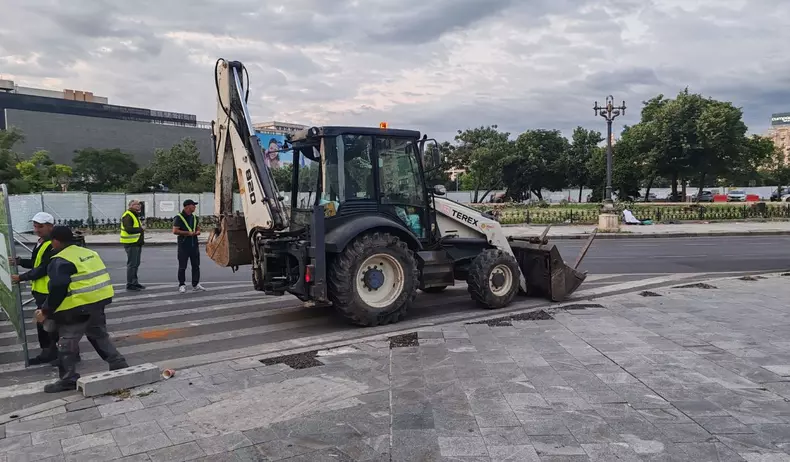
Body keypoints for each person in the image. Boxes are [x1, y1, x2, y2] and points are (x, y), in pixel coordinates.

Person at [40, 225, 128, 393]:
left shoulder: (60, 259)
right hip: (98, 301)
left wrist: (46, 310)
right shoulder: (89, 253)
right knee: (98, 334)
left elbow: (58, 287)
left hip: (77, 307)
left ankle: (68, 378)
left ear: (56, 241)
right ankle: (118, 363)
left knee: (67, 342)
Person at [9, 212, 59, 365]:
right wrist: (20, 262)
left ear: (51, 226)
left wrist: (21, 277)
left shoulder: (52, 244)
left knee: (47, 323)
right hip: (41, 290)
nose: (37, 229)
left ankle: (51, 352)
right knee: (48, 323)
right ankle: (56, 351)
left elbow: (43, 268)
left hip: (48, 290)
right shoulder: (41, 241)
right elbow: (35, 262)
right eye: (35, 226)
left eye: (41, 226)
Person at [173, 199, 206, 293]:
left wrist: (198, 231)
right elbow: (175, 231)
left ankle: (195, 284)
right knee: (182, 266)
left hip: (194, 245)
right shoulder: (179, 217)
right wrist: (188, 233)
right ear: (187, 206)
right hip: (183, 245)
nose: (195, 207)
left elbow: (198, 227)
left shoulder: (195, 217)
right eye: (193, 205)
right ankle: (182, 285)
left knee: (196, 266)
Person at [120, 200, 145, 291]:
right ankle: (130, 284)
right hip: (131, 243)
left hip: (136, 242)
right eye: (136, 204)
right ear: (130, 205)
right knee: (132, 264)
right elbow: (128, 229)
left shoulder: (134, 214)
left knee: (136, 264)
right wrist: (140, 229)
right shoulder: (128, 215)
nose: (138, 206)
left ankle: (135, 282)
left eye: (139, 204)